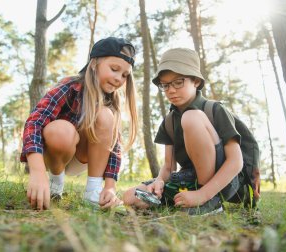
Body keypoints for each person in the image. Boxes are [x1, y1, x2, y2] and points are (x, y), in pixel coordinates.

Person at [123, 48, 260, 215]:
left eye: (178, 82)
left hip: (225, 183)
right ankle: (180, 202)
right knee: (130, 196)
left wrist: (203, 194)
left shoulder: (214, 110)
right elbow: (168, 166)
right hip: (188, 180)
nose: (170, 90)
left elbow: (236, 161)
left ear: (195, 81)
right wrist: (158, 182)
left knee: (190, 117)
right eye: (165, 85)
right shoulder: (169, 121)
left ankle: (211, 203)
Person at [21, 37, 138, 210]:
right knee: (61, 130)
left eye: (124, 75)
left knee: (105, 115)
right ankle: (55, 184)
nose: (119, 78)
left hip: (85, 157)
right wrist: (37, 172)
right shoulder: (70, 86)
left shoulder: (111, 103)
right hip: (55, 153)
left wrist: (110, 187)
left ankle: (93, 193)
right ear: (93, 63)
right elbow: (34, 122)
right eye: (114, 69)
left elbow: (115, 146)